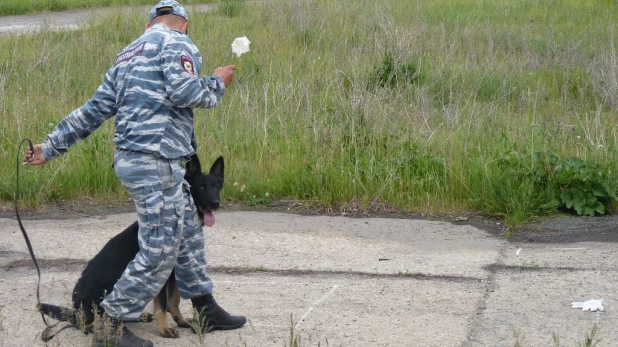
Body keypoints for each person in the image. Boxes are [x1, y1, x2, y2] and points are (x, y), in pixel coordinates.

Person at [23, 1, 246, 346]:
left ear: (149, 24)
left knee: (188, 227)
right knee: (159, 248)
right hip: (156, 160)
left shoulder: (126, 54)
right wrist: (217, 81)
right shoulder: (179, 42)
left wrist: (49, 147)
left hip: (139, 160)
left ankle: (205, 307)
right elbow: (185, 91)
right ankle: (108, 324)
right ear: (184, 25)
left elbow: (95, 109)